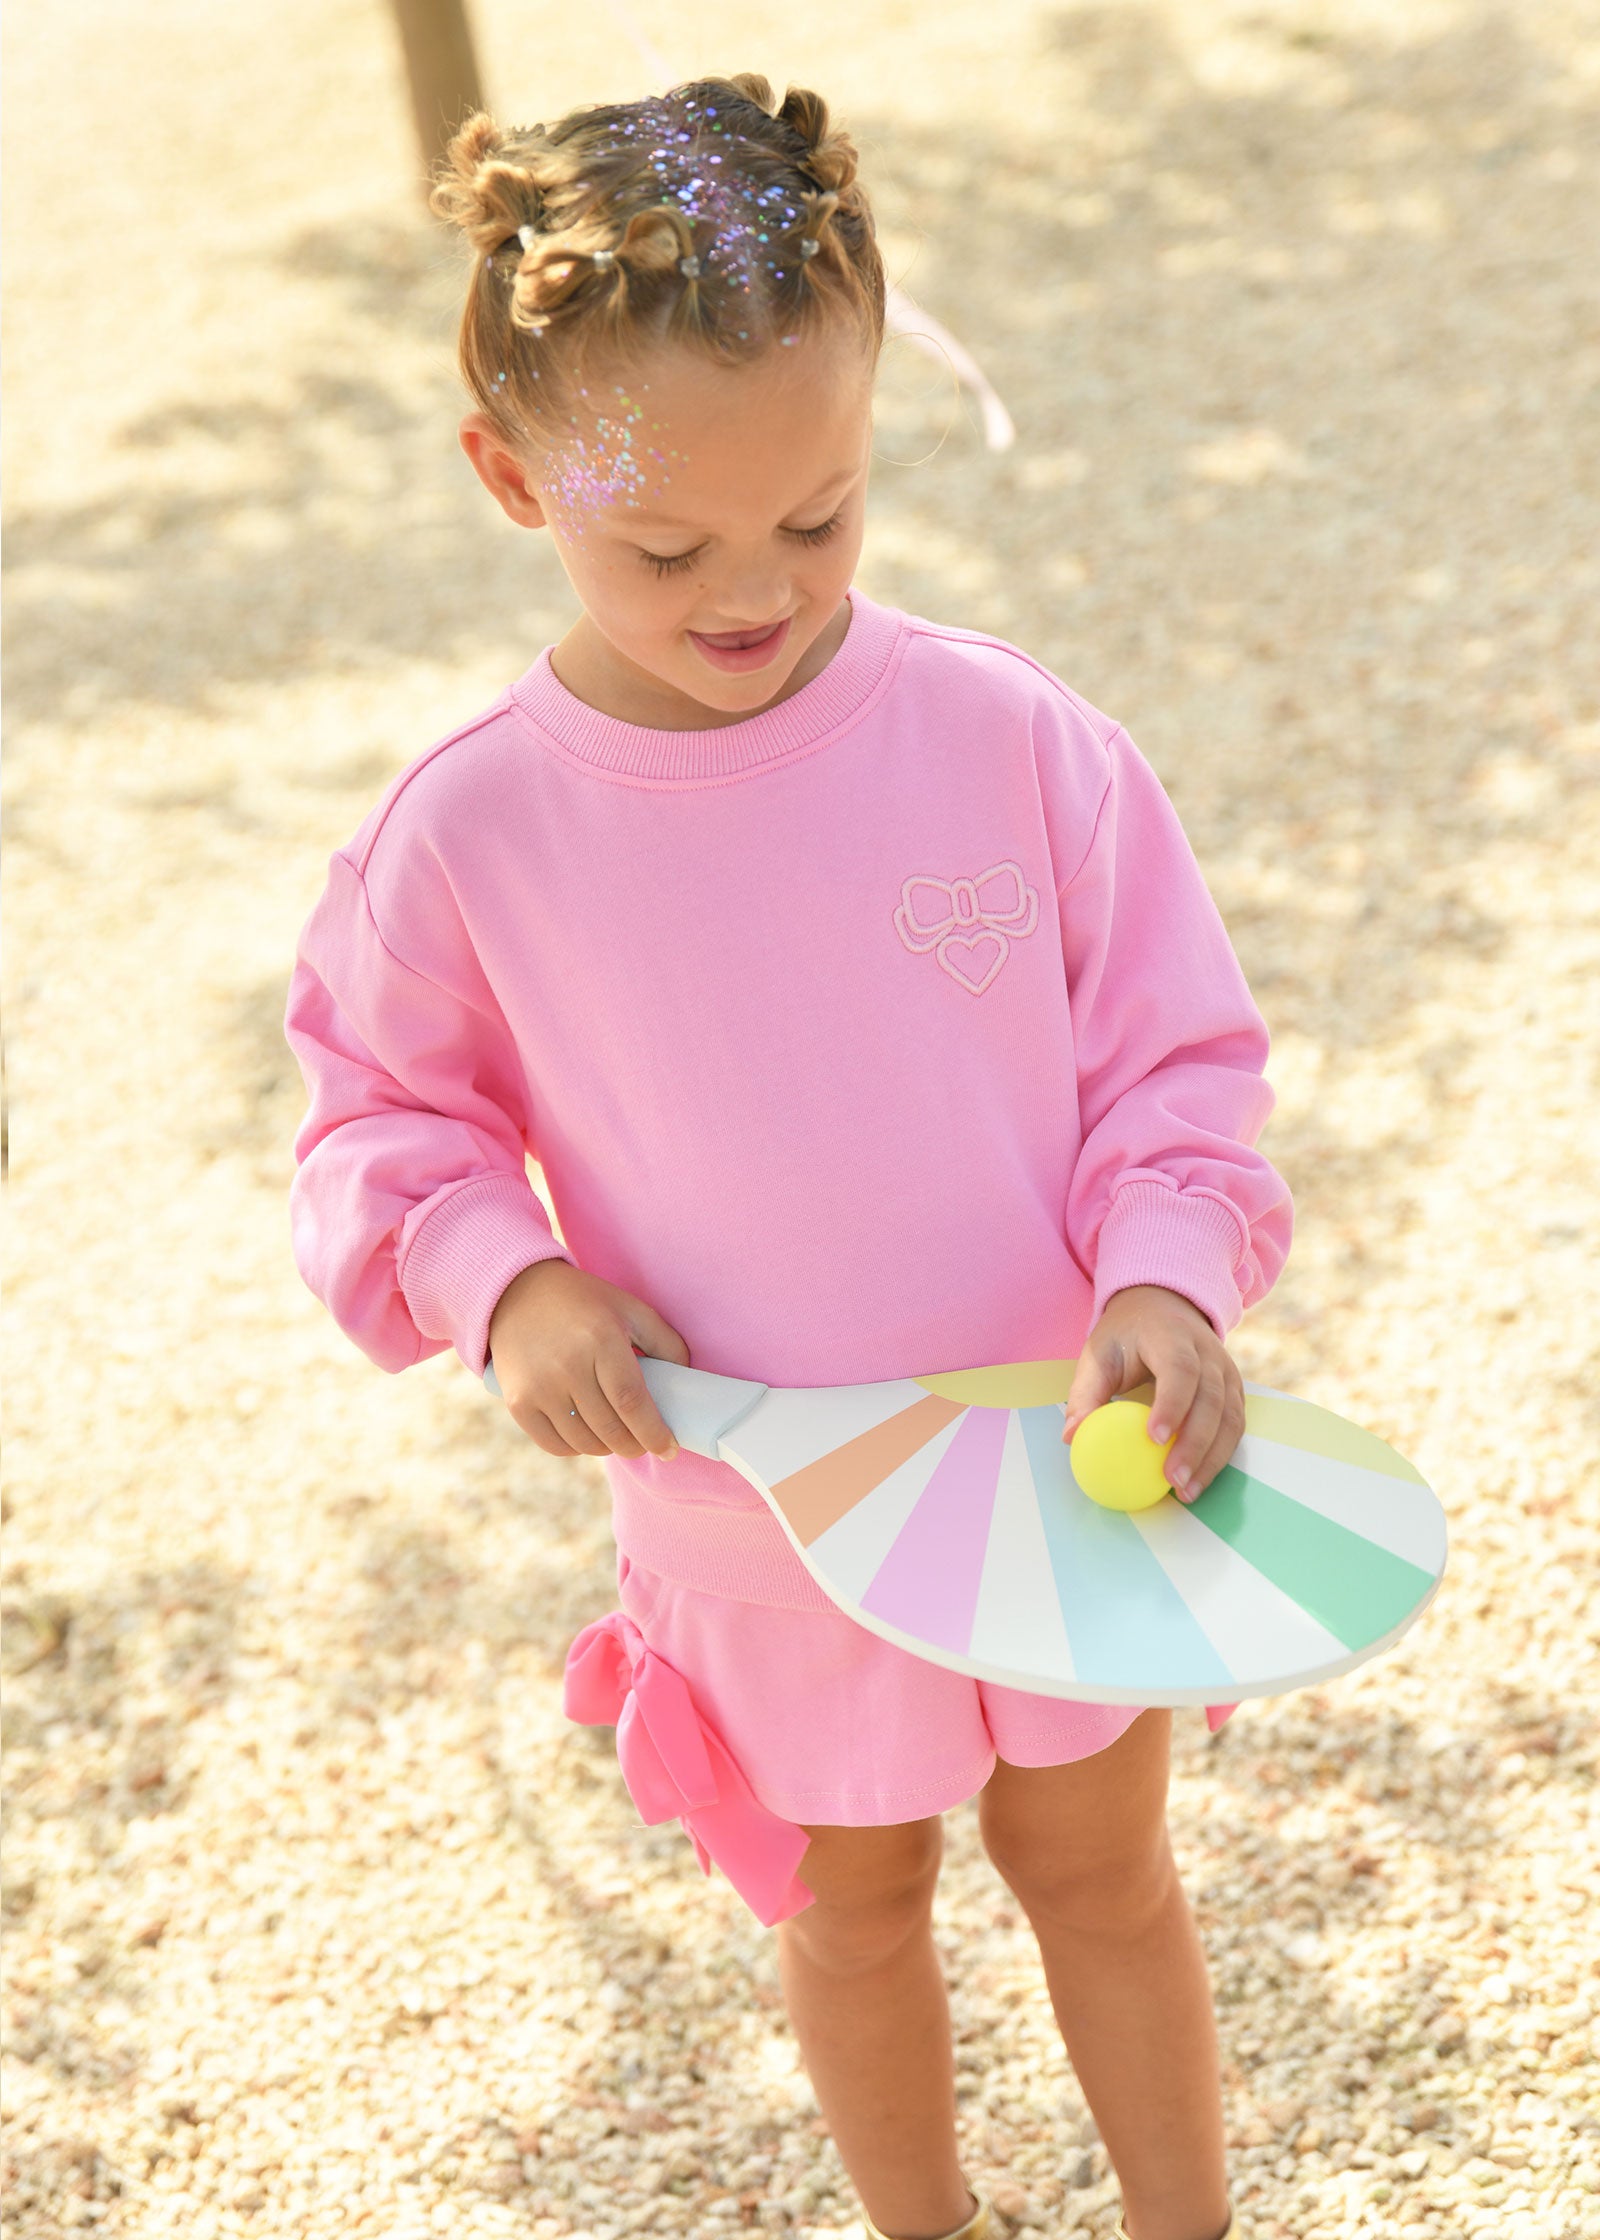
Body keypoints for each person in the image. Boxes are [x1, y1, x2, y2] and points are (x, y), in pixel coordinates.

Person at [285, 73, 1292, 2240]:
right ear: (507, 475)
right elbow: (377, 1112)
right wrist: (504, 1280)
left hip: (1053, 1459)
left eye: (817, 518)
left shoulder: (1010, 743)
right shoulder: (471, 830)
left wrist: (1160, 1281)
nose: (754, 589)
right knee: (850, 1911)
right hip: (763, 1517)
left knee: (1101, 1870)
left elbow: (1172, 1061)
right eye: (665, 546)